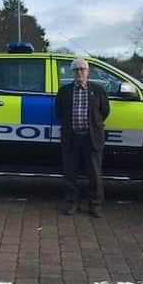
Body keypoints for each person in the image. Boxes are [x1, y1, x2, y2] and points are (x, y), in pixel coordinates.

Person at [55, 58, 110, 217]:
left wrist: (93, 125)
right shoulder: (64, 91)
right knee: (70, 173)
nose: (79, 72)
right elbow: (59, 112)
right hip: (71, 138)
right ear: (72, 72)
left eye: (82, 69)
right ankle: (72, 202)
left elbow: (105, 111)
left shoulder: (98, 90)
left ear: (87, 71)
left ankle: (95, 204)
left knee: (94, 173)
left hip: (91, 138)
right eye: (76, 69)